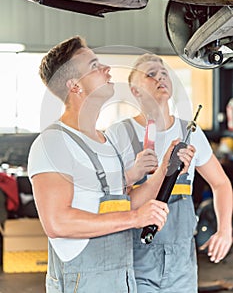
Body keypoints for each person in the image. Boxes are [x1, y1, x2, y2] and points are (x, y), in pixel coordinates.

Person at [27, 37, 194, 293]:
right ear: (75, 86)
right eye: (94, 65)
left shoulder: (105, 142)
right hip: (84, 283)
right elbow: (57, 222)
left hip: (121, 279)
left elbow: (124, 202)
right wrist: (135, 218)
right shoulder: (54, 142)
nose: (106, 69)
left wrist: (164, 170)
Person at [106, 53, 233, 293]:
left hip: (182, 265)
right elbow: (113, 201)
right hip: (134, 261)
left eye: (164, 73)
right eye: (150, 74)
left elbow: (221, 184)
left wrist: (225, 230)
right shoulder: (118, 134)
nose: (160, 78)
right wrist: (135, 173)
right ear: (135, 90)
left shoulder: (190, 133)